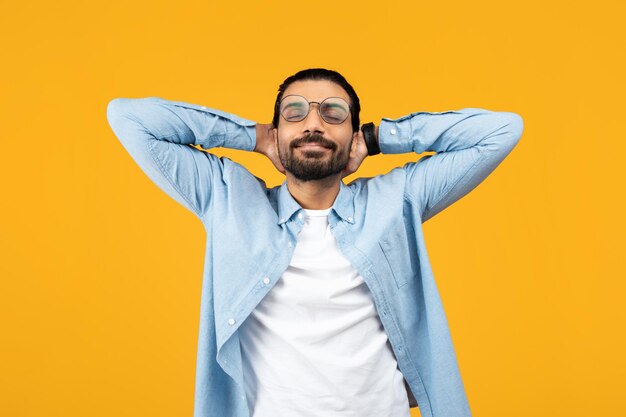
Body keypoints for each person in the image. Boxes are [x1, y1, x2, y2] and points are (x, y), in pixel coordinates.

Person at [106, 68, 524, 417]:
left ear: (352, 134)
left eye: (333, 113)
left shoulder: (397, 200)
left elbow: (502, 130)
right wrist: (252, 136)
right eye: (295, 112)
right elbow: (129, 118)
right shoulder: (227, 198)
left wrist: (380, 139)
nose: (313, 124)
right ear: (278, 130)